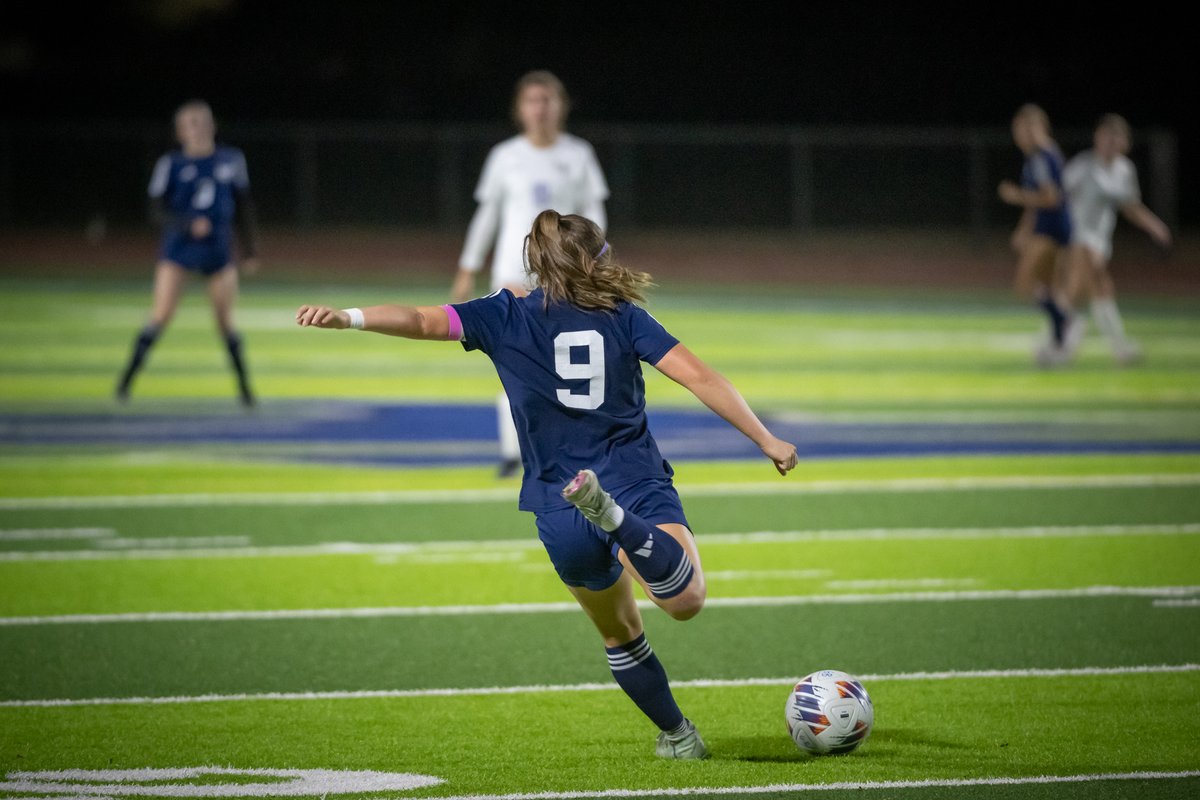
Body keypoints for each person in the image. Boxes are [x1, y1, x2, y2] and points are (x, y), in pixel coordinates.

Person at [297, 210, 798, 759]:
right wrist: (765, 438)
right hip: (630, 479)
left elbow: (418, 319)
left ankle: (678, 735)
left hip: (557, 503)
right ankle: (615, 520)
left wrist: (348, 317)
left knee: (621, 633)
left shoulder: (503, 315)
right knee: (684, 598)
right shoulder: (623, 315)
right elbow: (699, 376)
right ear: (596, 260)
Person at [449, 70, 610, 478]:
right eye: (532, 100)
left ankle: (567, 448)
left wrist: (599, 261)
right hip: (513, 273)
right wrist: (468, 266)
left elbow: (594, 214)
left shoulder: (579, 154)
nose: (540, 108)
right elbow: (487, 216)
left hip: (566, 275)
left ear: (561, 106)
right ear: (519, 109)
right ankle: (511, 451)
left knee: (568, 361)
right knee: (514, 359)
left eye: (548, 99)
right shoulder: (506, 156)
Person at [115, 99, 260, 407]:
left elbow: (244, 205)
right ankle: (125, 382)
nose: (199, 128)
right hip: (179, 249)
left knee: (226, 322)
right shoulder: (171, 164)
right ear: (180, 131)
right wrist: (185, 224)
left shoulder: (231, 159)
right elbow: (154, 211)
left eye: (203, 121)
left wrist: (249, 250)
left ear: (213, 125)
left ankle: (246, 391)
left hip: (218, 249)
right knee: (161, 315)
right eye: (191, 123)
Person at [1062, 112, 1172, 365]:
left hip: (1101, 238)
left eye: (1115, 138)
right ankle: (1120, 347)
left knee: (1078, 293)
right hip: (1078, 234)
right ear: (1096, 138)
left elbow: (1130, 207)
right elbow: (1059, 197)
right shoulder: (1082, 165)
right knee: (1100, 282)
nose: (1109, 142)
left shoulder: (1124, 170)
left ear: (1125, 143)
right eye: (1104, 137)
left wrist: (1155, 226)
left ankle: (1059, 343)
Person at [997, 103, 1079, 366]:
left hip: (1052, 227)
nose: (1021, 135)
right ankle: (1059, 339)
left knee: (1025, 284)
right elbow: (1039, 201)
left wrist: (1015, 196)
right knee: (1046, 288)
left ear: (1040, 128)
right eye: (1018, 130)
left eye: (1026, 129)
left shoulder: (1042, 157)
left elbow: (1051, 198)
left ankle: (1065, 323)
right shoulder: (1039, 156)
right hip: (1049, 226)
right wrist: (1024, 228)